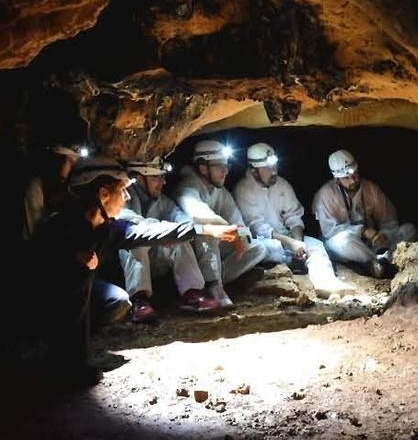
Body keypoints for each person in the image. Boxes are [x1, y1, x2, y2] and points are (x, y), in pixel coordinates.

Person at [30, 157, 199, 386]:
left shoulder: (106, 228)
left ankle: (80, 339)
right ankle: (65, 361)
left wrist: (202, 229)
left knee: (117, 301)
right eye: (122, 190)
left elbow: (146, 230)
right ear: (103, 194)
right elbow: (35, 258)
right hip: (40, 301)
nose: (127, 197)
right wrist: (71, 255)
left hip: (79, 296)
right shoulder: (60, 227)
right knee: (76, 273)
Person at [119, 157, 237, 321]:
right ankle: (139, 300)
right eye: (156, 177)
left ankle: (191, 292)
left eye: (162, 177)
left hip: (152, 261)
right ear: (139, 179)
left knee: (181, 238)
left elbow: (181, 218)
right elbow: (136, 227)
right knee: (137, 243)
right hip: (119, 265)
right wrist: (167, 232)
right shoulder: (121, 200)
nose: (162, 182)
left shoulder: (162, 202)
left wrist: (176, 232)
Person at [234, 142, 354, 297]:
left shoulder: (282, 184)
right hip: (263, 241)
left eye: (275, 166)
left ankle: (325, 282)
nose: (274, 171)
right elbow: (256, 227)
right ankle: (283, 267)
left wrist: (298, 242)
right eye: (268, 168)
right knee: (266, 248)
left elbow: (294, 216)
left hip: (287, 238)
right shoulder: (242, 190)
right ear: (254, 170)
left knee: (316, 245)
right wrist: (291, 243)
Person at [171, 139, 267, 308]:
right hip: (187, 250)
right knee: (210, 232)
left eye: (226, 165)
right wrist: (227, 228)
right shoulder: (188, 186)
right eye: (220, 166)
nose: (226, 171)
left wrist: (242, 237)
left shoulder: (220, 192)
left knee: (258, 247)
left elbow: (237, 220)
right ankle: (214, 286)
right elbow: (197, 212)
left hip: (210, 253)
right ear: (202, 168)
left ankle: (215, 279)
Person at [312, 149, 417, 277]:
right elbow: (329, 231)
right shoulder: (325, 194)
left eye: (355, 174)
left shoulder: (370, 188)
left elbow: (388, 219)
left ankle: (384, 259)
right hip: (347, 245)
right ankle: (375, 261)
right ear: (337, 179)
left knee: (409, 229)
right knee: (344, 241)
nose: (353, 180)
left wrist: (383, 235)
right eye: (347, 177)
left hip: (374, 243)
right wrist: (362, 231)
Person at [22, 143, 86, 240]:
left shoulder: (72, 186)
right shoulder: (36, 186)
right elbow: (34, 230)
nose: (66, 165)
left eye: (72, 161)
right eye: (64, 160)